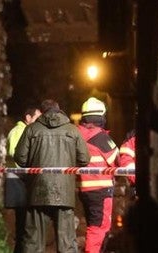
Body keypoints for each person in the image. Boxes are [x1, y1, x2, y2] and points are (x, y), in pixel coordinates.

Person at [14, 99, 90, 253]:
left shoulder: (32, 129)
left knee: (33, 244)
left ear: (42, 113)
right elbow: (84, 159)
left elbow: (20, 158)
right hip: (65, 194)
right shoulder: (72, 130)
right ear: (59, 110)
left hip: (37, 192)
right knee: (67, 244)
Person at [76, 97, 119, 253]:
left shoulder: (77, 135)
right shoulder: (100, 137)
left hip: (85, 190)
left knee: (92, 226)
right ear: (101, 117)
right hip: (101, 190)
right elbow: (116, 158)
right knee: (99, 228)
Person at [5, 107, 41, 253]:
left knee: (25, 224)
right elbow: (14, 152)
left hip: (22, 181)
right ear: (28, 117)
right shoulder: (18, 131)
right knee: (23, 225)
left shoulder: (25, 131)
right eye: (37, 118)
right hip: (18, 181)